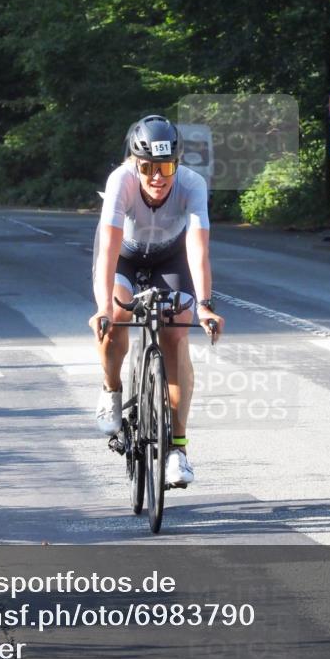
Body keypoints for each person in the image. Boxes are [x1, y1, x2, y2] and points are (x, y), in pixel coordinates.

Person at [89, 115, 225, 487]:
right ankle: (112, 390)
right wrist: (103, 307)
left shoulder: (192, 185)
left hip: (170, 257)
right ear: (134, 163)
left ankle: (177, 450)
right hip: (125, 257)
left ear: (176, 164)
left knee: (177, 337)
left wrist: (205, 305)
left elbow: (198, 251)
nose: (157, 177)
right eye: (147, 167)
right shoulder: (121, 181)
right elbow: (108, 251)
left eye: (165, 166)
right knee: (115, 316)